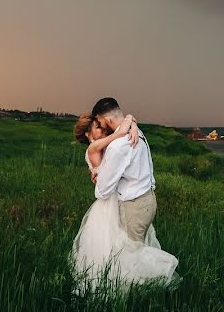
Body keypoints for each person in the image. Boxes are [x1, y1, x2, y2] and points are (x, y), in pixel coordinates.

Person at [69, 99, 178, 293]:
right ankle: (132, 290)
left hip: (134, 205)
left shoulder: (119, 144)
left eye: (100, 124)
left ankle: (156, 277)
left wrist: (128, 123)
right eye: (97, 127)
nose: (102, 129)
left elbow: (102, 190)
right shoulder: (129, 136)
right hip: (137, 202)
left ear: (107, 119)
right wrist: (129, 124)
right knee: (123, 251)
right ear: (87, 134)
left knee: (129, 253)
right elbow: (103, 184)